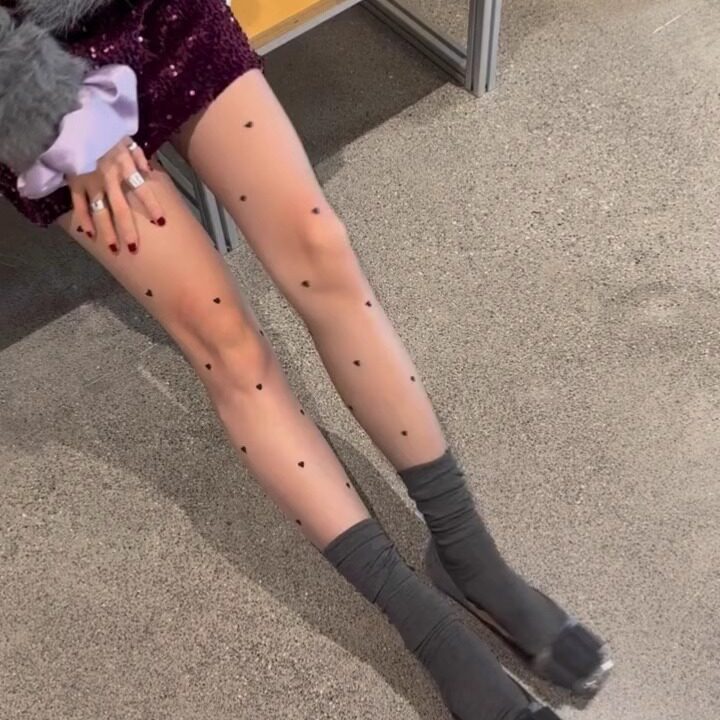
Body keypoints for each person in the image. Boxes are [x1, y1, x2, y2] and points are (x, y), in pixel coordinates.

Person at [0, 1, 612, 718]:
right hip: (29, 69)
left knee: (321, 250)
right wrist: (45, 106)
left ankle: (468, 554)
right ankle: (427, 629)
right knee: (225, 345)